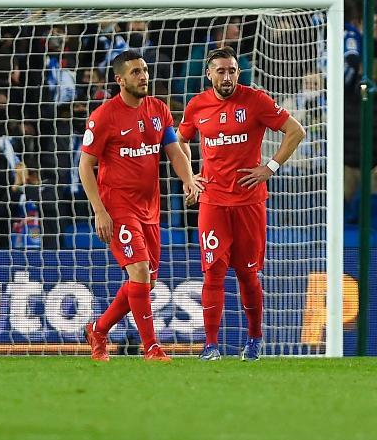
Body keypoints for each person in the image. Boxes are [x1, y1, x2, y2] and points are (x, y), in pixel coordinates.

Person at [177, 47, 306, 361]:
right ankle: (210, 346)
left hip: (249, 202)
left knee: (248, 275)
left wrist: (270, 167)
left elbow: (296, 131)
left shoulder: (256, 101)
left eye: (232, 71)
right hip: (213, 203)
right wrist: (189, 177)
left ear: (238, 72)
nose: (227, 77)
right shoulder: (197, 105)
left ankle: (254, 340)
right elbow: (180, 140)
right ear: (209, 74)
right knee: (213, 274)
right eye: (220, 71)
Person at [79, 49, 204, 362]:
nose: (143, 76)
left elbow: (174, 150)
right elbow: (85, 166)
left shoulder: (158, 109)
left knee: (146, 282)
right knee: (139, 270)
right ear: (120, 80)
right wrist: (99, 210)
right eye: (135, 72)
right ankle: (152, 348)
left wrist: (188, 179)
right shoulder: (104, 116)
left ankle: (98, 329)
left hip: (150, 207)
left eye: (145, 70)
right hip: (118, 206)